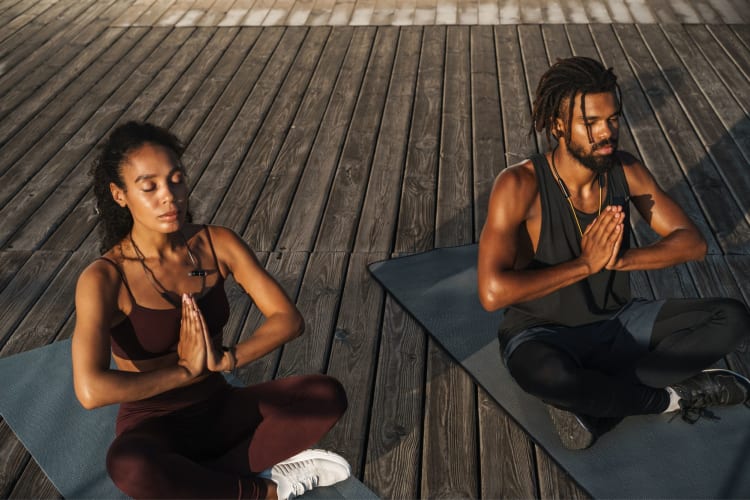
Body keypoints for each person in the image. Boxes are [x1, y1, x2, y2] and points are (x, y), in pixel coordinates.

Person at [477, 56, 750, 450]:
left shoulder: (625, 170)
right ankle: (670, 398)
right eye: (590, 123)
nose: (606, 132)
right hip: (543, 334)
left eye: (613, 119)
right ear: (557, 125)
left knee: (733, 317)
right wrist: (585, 264)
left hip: (616, 322)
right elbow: (492, 292)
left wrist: (621, 260)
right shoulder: (519, 185)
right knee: (554, 379)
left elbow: (692, 242)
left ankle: (597, 404)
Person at [72, 121, 350, 499]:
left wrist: (228, 359)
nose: (169, 196)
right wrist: (185, 370)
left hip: (219, 406)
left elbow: (288, 319)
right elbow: (90, 390)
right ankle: (268, 489)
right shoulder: (105, 278)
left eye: (176, 180)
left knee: (324, 394)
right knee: (129, 466)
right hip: (155, 424)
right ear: (120, 195)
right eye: (149, 186)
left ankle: (199, 484)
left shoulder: (215, 243)